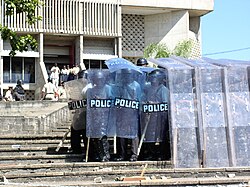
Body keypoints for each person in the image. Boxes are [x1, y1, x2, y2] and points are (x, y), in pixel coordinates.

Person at [140, 69, 169, 160]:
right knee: (149, 134)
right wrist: (145, 103)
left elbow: (165, 103)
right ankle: (151, 153)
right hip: (150, 115)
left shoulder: (163, 90)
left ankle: (161, 153)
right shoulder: (148, 88)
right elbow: (143, 99)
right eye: (152, 78)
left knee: (161, 135)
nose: (153, 80)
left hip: (160, 116)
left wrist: (154, 103)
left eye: (155, 79)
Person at [113, 69, 141, 161]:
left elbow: (139, 99)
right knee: (121, 134)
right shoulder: (120, 85)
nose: (127, 77)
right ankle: (122, 154)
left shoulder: (136, 85)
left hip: (133, 113)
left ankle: (134, 154)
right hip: (122, 112)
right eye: (125, 75)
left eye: (128, 75)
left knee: (133, 134)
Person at [86, 70, 113, 162]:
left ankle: (105, 154)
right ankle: (98, 154)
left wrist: (102, 99)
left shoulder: (108, 89)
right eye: (97, 80)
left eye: (100, 80)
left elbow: (112, 100)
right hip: (94, 115)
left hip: (105, 115)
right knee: (94, 137)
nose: (99, 82)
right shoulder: (90, 91)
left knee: (103, 136)